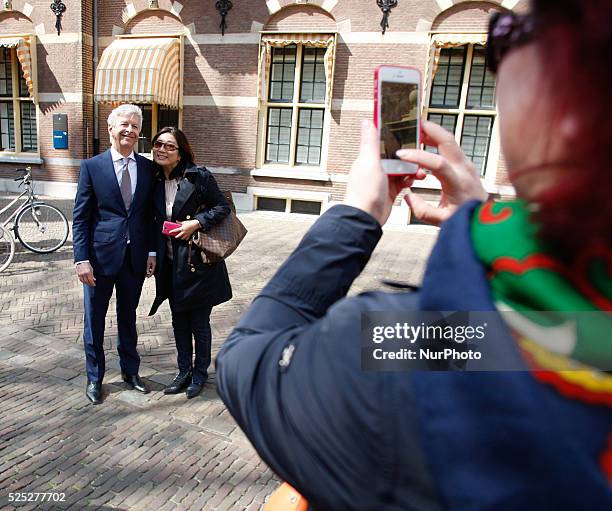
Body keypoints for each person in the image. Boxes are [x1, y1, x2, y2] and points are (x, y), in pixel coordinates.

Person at [216, 1, 612, 509]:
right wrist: (484, 222)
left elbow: (249, 358)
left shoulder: (413, 346)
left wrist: (357, 214)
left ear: (569, 116)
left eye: (521, 32)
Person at [73, 104, 156, 405]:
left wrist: (151, 252)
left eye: (135, 126)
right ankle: (94, 377)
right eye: (124, 124)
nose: (130, 130)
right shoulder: (91, 168)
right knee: (94, 320)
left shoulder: (148, 169)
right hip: (98, 259)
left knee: (128, 318)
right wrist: (81, 259)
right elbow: (81, 218)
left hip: (134, 260)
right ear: (110, 129)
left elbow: (150, 216)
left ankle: (130, 372)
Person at [148, 127, 232, 399]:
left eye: (169, 146)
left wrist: (196, 223)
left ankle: (199, 373)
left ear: (181, 152)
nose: (161, 150)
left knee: (199, 322)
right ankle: (183, 371)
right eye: (158, 144)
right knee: (178, 320)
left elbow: (222, 207)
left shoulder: (199, 176)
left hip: (198, 262)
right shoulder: (153, 179)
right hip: (170, 264)